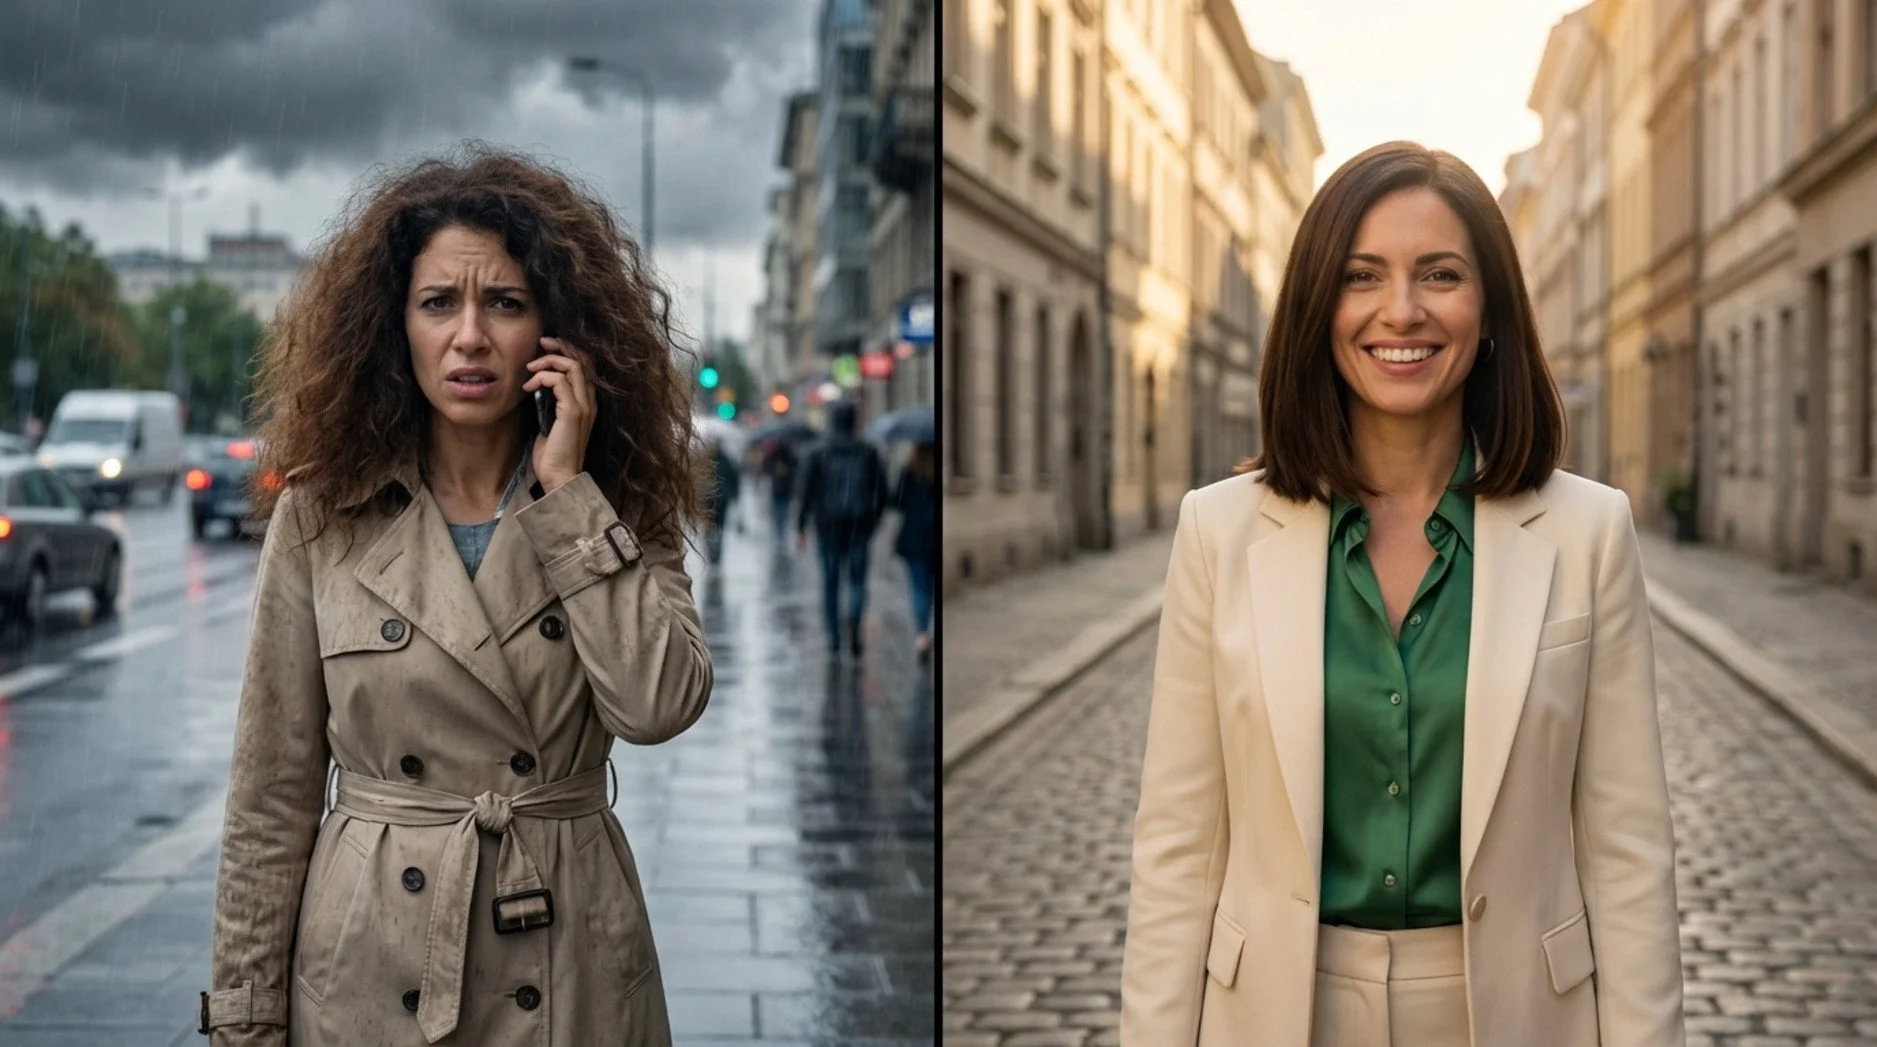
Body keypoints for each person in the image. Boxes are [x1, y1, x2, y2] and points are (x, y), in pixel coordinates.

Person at [1119, 142, 1683, 1047]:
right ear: (1317, 305)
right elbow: (1176, 854)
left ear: (1490, 306)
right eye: (1361, 275)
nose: (1401, 310)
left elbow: (1626, 857)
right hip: (1276, 1014)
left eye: (1440, 274)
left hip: (1513, 1017)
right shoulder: (1216, 532)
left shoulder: (1587, 532)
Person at [201, 143, 713, 1047]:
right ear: (395, 326)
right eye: (439, 302)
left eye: (505, 304)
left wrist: (569, 498)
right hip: (370, 959)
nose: (470, 336)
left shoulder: (611, 498)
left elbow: (658, 705)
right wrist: (246, 1016)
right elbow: (269, 795)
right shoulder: (324, 512)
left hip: (569, 959)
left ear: (558, 331)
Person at [796, 401, 887, 657]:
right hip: (859, 524)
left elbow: (806, 491)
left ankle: (834, 637)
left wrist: (801, 526)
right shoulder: (867, 451)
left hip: (828, 525)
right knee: (858, 580)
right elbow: (882, 492)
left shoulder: (818, 451)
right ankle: (854, 620)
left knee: (830, 580)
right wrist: (874, 521)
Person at [889, 441, 937, 657]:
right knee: (930, 585)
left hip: (914, 538)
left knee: (919, 587)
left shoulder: (909, 472)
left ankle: (922, 634)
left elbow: (896, 502)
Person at [760, 439, 800, 546]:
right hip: (777, 489)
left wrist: (787, 470)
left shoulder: (789, 456)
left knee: (784, 513)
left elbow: (796, 468)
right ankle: (778, 535)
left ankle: (782, 535)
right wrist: (775, 469)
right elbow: (765, 468)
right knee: (777, 513)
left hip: (786, 489)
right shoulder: (773, 456)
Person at [707, 436, 740, 564]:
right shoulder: (706, 461)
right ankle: (712, 555)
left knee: (719, 528)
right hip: (708, 501)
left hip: (721, 500)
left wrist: (733, 494)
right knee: (710, 530)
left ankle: (717, 555)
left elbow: (733, 479)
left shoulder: (725, 460)